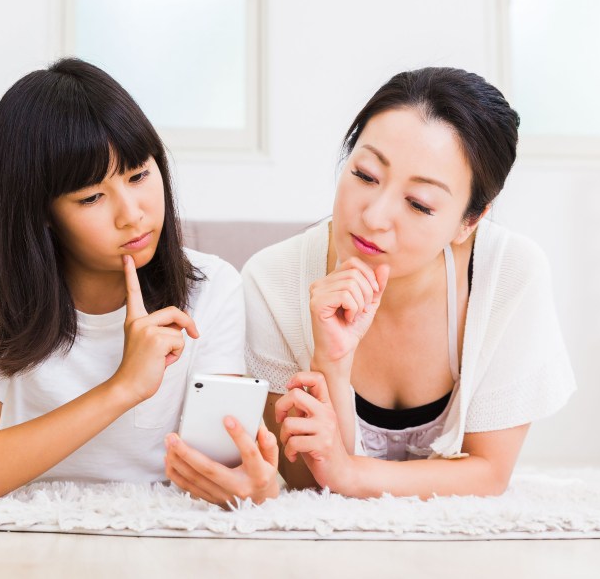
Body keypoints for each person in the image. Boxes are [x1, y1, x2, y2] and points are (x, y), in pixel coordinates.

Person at [164, 67, 575, 503]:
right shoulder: (272, 281)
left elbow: (489, 473)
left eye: (418, 203)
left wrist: (352, 473)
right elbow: (307, 481)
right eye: (365, 175)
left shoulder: (509, 274)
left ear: (469, 221)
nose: (374, 217)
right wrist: (332, 362)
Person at [0, 58, 249, 498]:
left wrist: (249, 483)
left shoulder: (213, 286)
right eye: (92, 197)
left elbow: (222, 470)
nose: (132, 214)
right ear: (39, 213)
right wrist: (122, 388)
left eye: (139, 175)